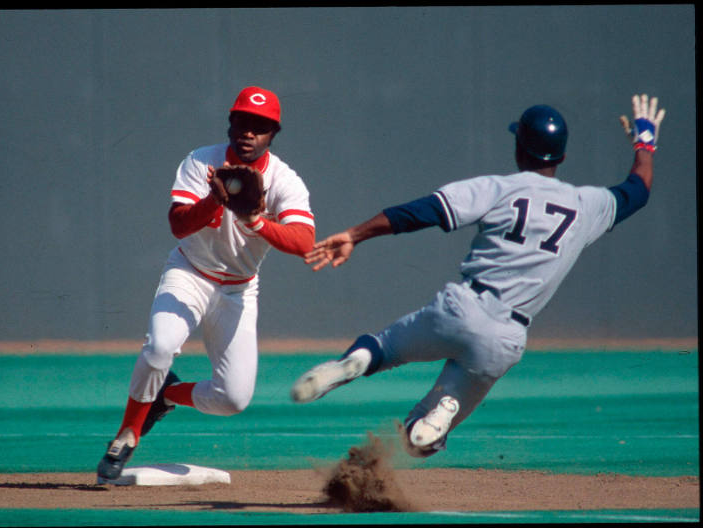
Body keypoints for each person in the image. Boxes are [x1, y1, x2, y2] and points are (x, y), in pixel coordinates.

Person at [291, 94, 665, 458]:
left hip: (462, 308)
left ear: (519, 148)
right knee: (418, 439)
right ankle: (444, 409)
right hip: (506, 337)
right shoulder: (588, 206)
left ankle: (356, 362)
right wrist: (644, 142)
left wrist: (356, 234)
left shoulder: (498, 188)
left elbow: (422, 212)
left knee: (382, 348)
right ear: (562, 156)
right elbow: (638, 190)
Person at [97, 86, 316, 482]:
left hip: (238, 289)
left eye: (260, 127)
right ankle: (127, 433)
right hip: (190, 273)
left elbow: (304, 242)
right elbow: (177, 225)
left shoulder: (284, 179)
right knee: (160, 347)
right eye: (243, 122)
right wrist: (214, 202)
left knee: (233, 398)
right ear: (231, 124)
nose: (249, 132)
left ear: (273, 134)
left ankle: (166, 394)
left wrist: (255, 221)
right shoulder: (202, 161)